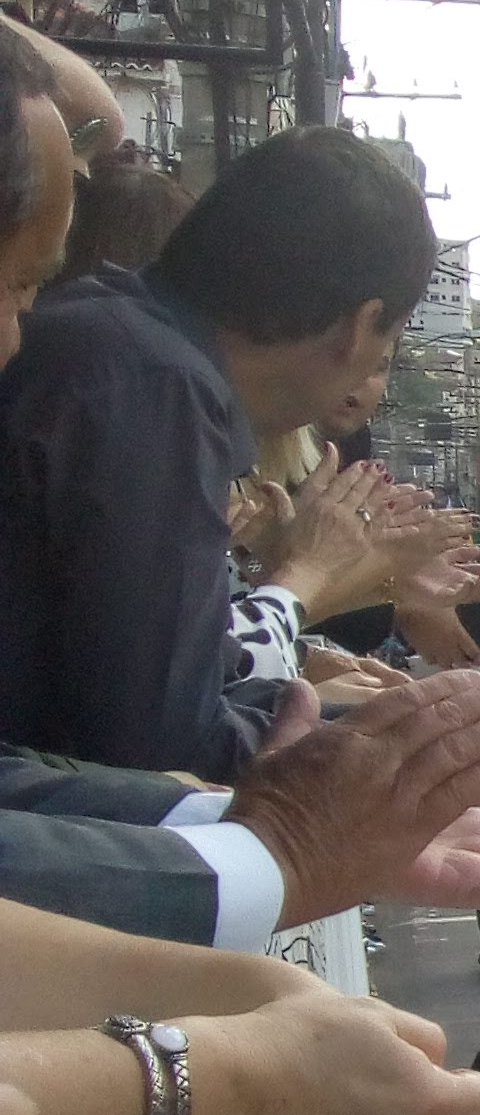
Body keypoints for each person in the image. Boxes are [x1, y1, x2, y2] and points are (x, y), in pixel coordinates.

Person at [0, 123, 435, 775]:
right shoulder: (158, 390)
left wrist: (363, 720)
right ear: (358, 325)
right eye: (387, 344)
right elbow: (162, 743)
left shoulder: (126, 349)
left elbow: (164, 691)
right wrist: (410, 755)